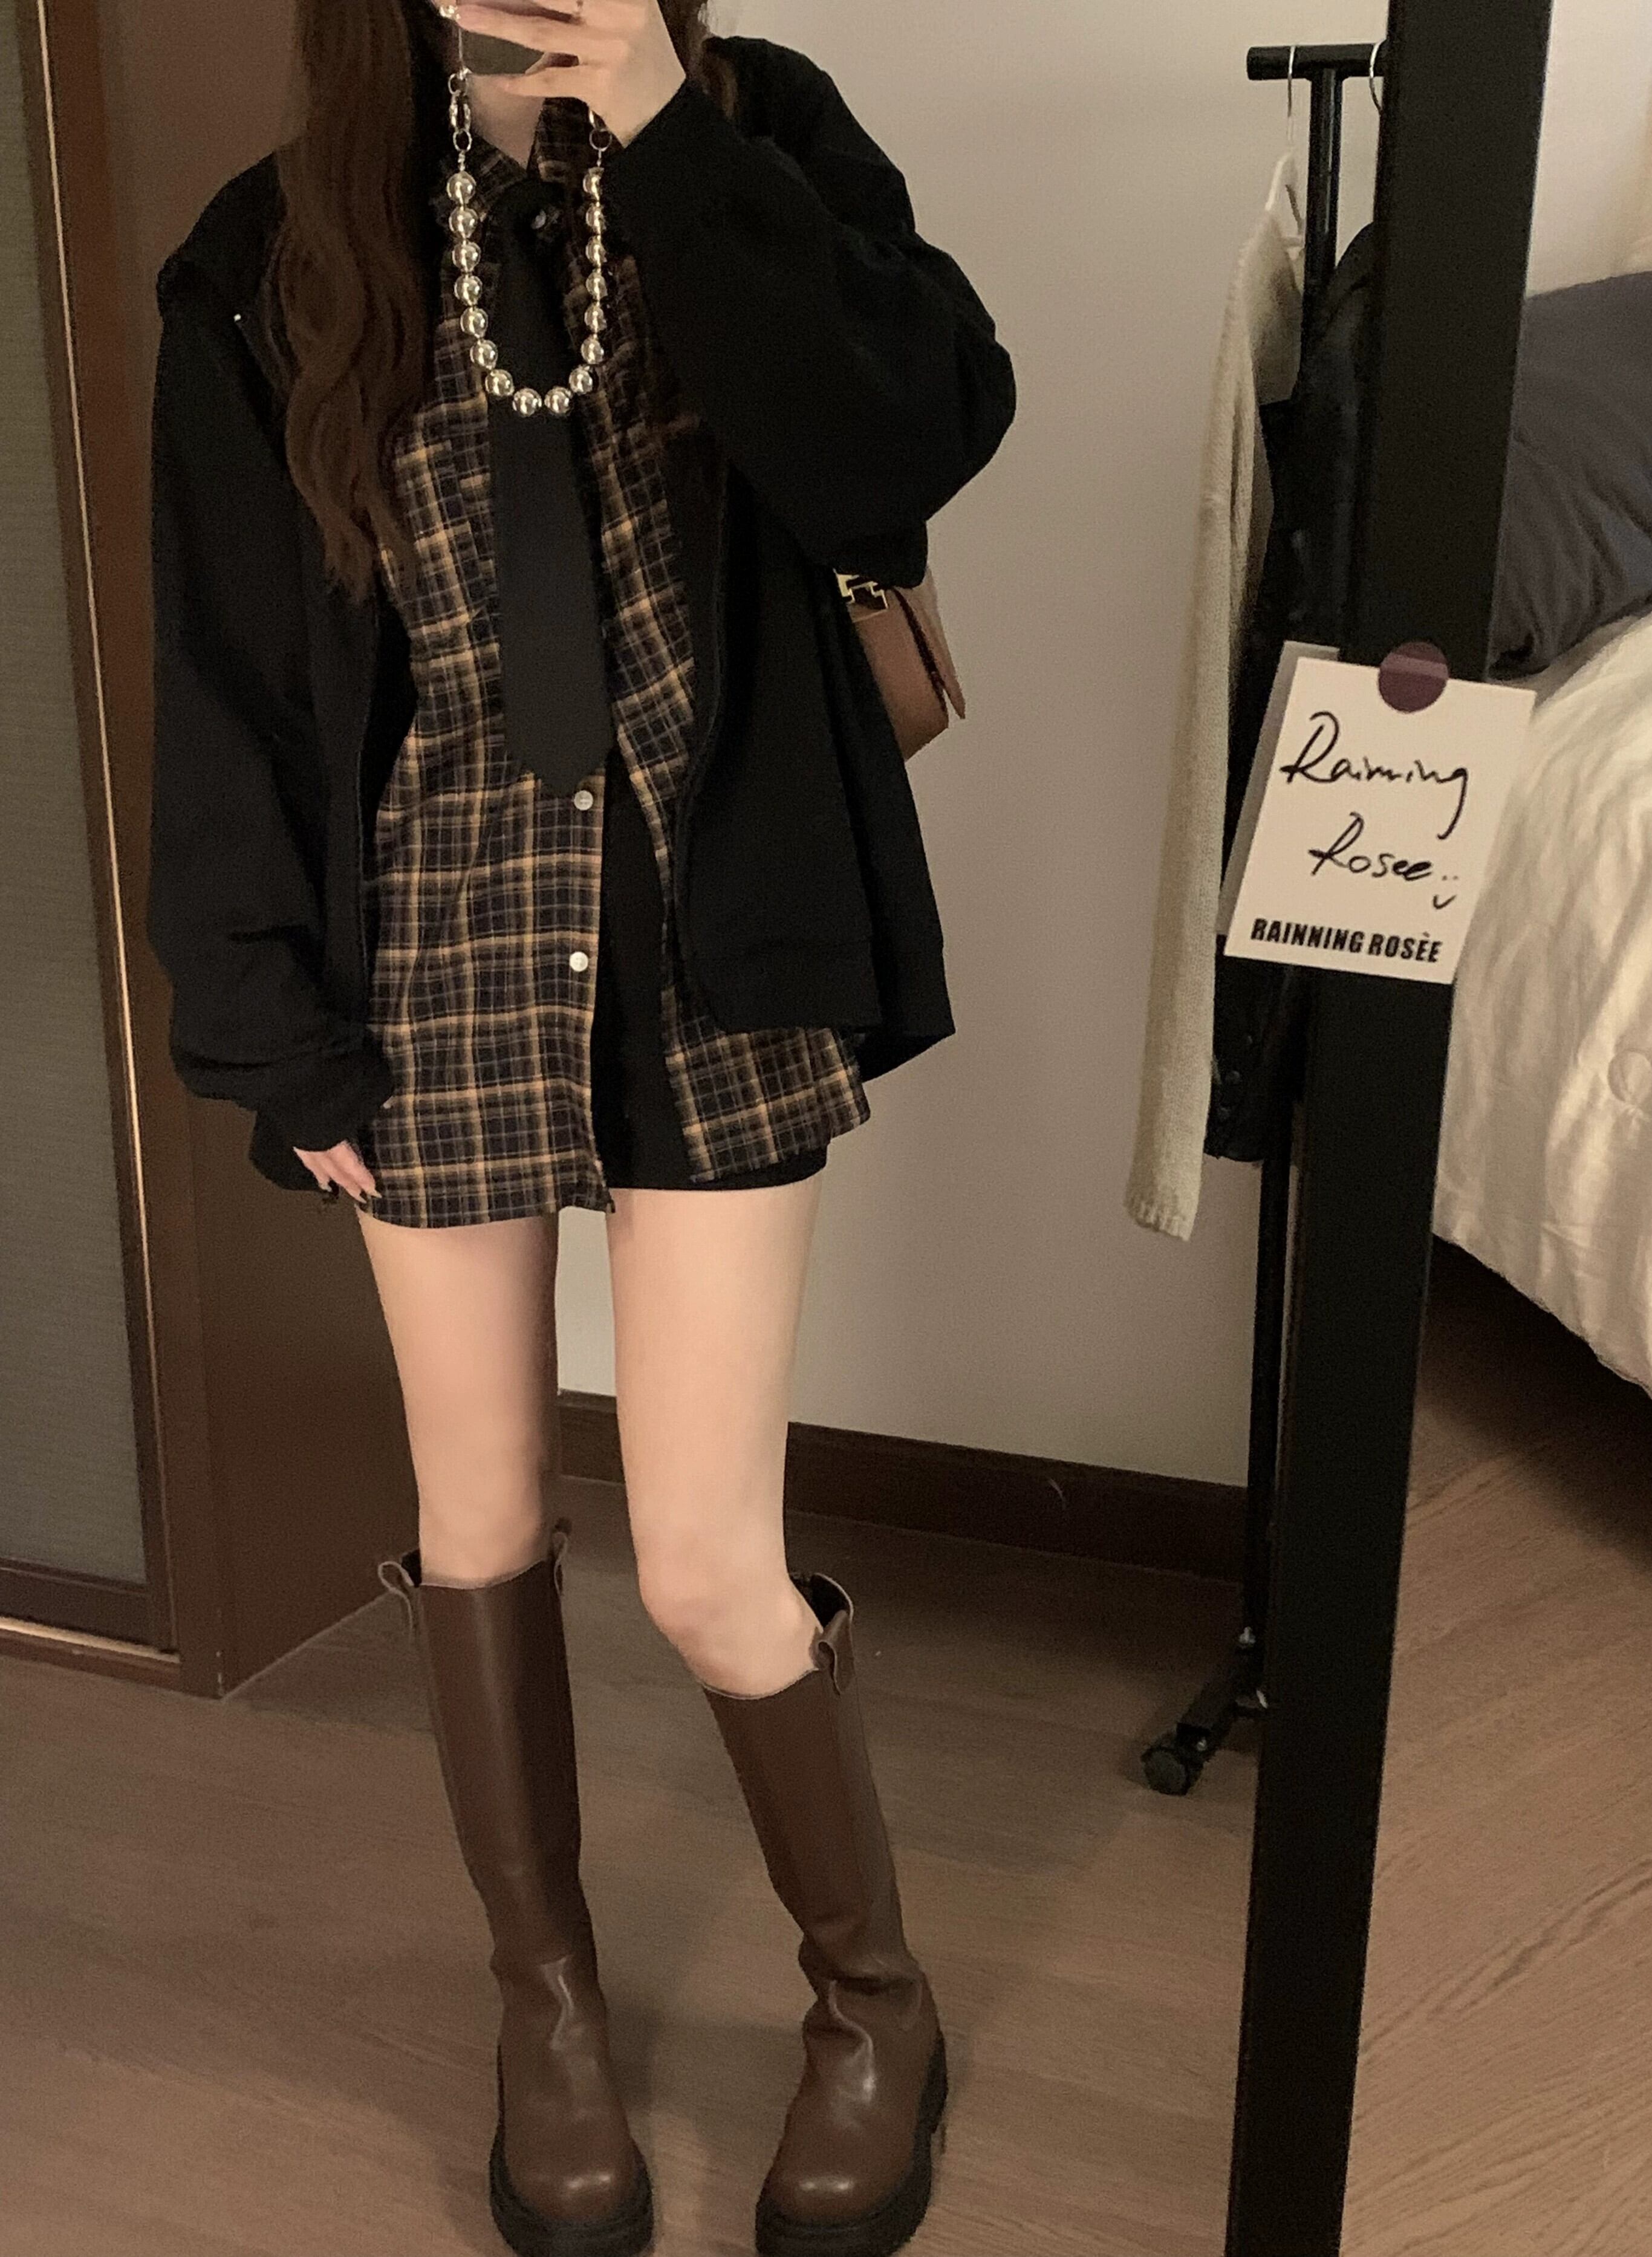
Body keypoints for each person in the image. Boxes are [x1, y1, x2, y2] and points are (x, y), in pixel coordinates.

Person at [144, 4, 1015, 2253]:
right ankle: (546, 2011)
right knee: (478, 1520)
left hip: (711, 935)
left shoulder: (753, 129)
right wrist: (274, 1038)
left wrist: (657, 129)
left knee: (710, 1553)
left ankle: (875, 2002)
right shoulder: (267, 252)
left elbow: (905, 442)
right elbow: (227, 671)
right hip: (427, 953)